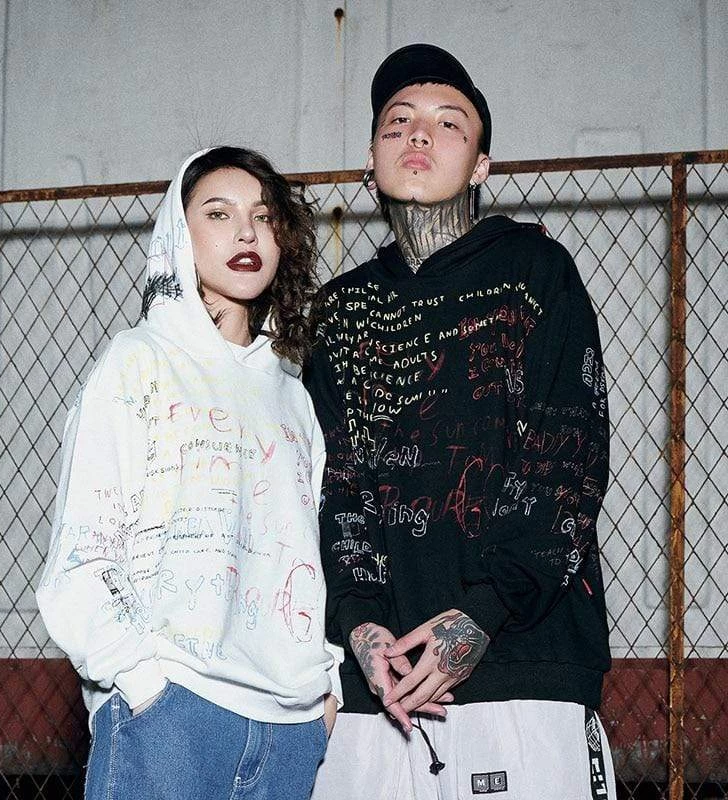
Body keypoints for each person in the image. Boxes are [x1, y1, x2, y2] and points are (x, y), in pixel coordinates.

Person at [306, 44, 616, 799]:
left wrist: (482, 614)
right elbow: (335, 485)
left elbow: (567, 463)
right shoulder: (341, 310)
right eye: (397, 122)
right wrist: (360, 625)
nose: (418, 134)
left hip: (521, 667)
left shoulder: (535, 272)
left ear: (481, 165)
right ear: (371, 160)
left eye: (448, 123)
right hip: (376, 687)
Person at [37, 146, 341, 800]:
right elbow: (84, 551)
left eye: (263, 216)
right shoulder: (138, 361)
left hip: (289, 730)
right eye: (219, 214)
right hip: (172, 713)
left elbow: (306, 557)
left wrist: (325, 691)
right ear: (179, 233)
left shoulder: (292, 394)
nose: (246, 233)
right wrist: (143, 683)